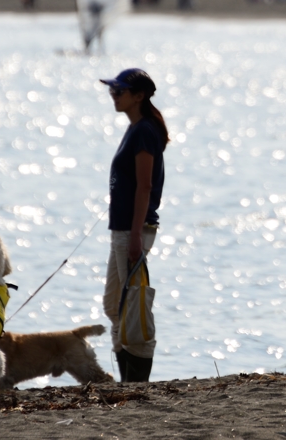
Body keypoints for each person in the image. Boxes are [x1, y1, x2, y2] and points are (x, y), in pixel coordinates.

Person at [99, 69, 169, 382]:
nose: (113, 96)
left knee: (132, 307)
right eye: (112, 91)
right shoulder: (137, 128)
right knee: (114, 304)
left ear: (138, 95)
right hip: (122, 229)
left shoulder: (144, 132)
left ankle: (136, 381)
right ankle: (125, 381)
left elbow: (145, 186)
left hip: (133, 231)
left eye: (119, 91)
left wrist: (137, 236)